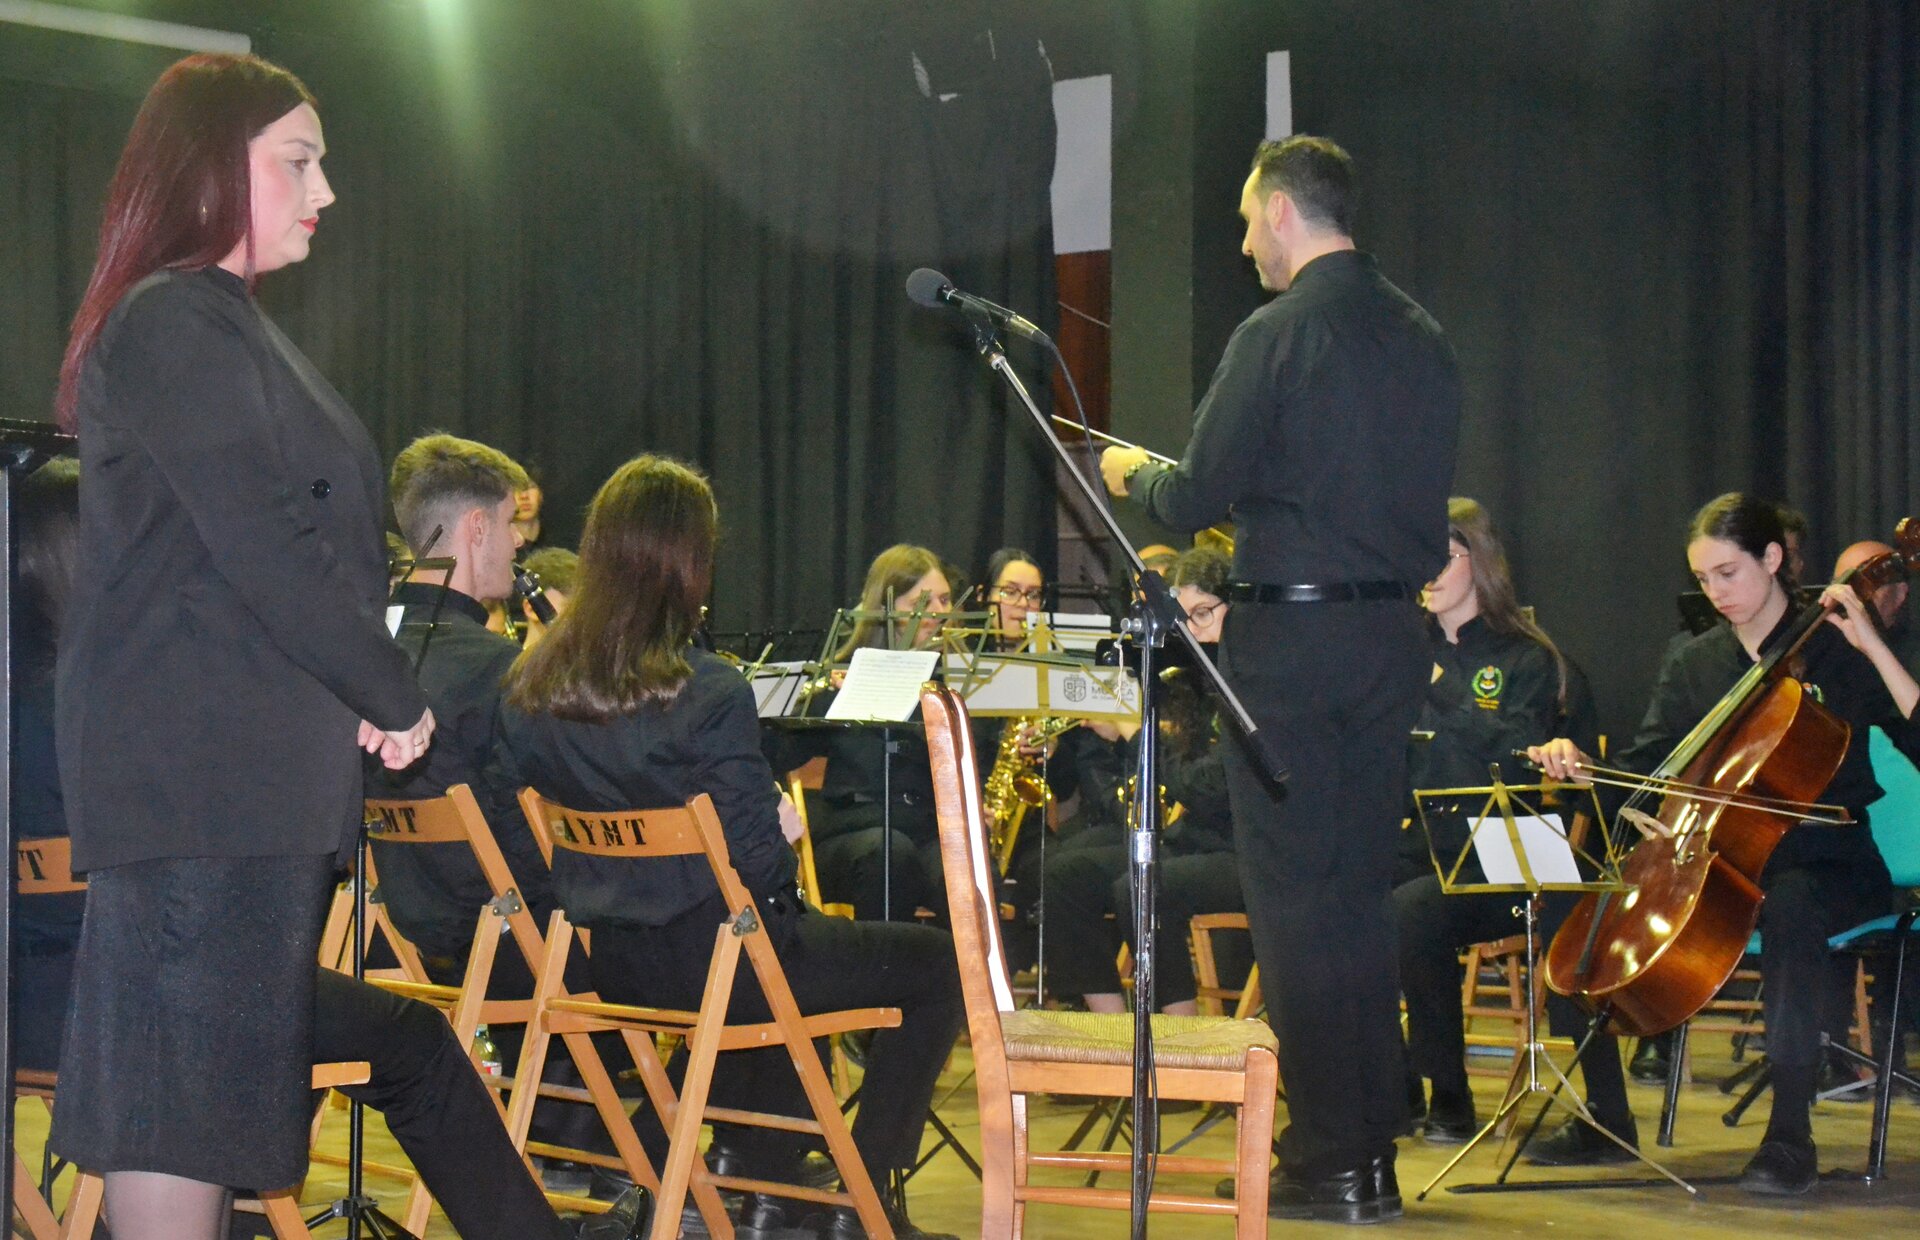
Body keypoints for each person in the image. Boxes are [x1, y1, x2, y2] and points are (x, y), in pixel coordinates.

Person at [49, 53, 435, 1238]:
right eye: (300, 160)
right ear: (212, 164)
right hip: (202, 797)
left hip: (232, 795)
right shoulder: (175, 319)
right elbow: (266, 538)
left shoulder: (214, 323)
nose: (325, 191)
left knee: (199, 1126)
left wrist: (353, 685)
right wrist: (388, 688)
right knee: (181, 1124)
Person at [13, 460, 593, 1239]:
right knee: (416, 1042)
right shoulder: (142, 703)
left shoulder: (26, 704)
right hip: (164, 1007)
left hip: (30, 1011)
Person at [1100, 135, 1460, 1223]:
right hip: (1391, 640)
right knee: (1355, 901)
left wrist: (1133, 473)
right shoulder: (1425, 336)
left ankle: (1331, 1159)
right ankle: (1371, 1149)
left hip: (1294, 652)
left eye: (1251, 221)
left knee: (1300, 914)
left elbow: (1200, 485)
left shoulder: (1277, 332)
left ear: (1285, 214)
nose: (1248, 241)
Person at [495, 456, 965, 1240]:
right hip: (725, 964)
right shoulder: (707, 689)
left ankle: (763, 1181)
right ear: (686, 563)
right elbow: (758, 869)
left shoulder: (530, 689)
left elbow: (526, 838)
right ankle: (860, 1189)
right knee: (929, 961)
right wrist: (776, 830)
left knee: (752, 960)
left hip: (612, 963)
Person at [1530, 492, 1920, 1194]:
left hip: (1828, 857)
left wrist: (1872, 643)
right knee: (1576, 905)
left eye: (1728, 574)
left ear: (1772, 560)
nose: (1716, 594)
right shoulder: (1695, 661)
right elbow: (1652, 764)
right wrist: (1583, 763)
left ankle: (1790, 1136)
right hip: (1720, 861)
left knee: (1792, 908)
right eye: (1704, 579)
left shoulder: (1836, 649)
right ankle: (1606, 1115)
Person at [1391, 499, 1619, 1147]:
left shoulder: (1528, 659)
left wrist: (1435, 681)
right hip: (1419, 841)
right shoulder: (1406, 648)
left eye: (1443, 554)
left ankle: (1451, 1095)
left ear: (1479, 560)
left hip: (1503, 852)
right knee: (1344, 898)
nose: (1426, 571)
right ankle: (1392, 1081)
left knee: (1410, 912)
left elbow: (1517, 753)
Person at [1042, 546, 1245, 1016]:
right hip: (1188, 837)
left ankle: (1177, 1047)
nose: (1193, 630)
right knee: (1064, 876)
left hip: (1237, 849)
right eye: (1184, 618)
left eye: (1204, 613)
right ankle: (1114, 1032)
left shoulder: (1248, 678)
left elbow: (1205, 789)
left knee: (1139, 884)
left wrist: (1136, 735)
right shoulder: (1187, 675)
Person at [804, 544, 955, 921]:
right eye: (921, 601)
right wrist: (823, 701)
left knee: (966, 871)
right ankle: (883, 978)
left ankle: (953, 980)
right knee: (890, 854)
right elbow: (780, 752)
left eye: (945, 599)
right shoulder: (840, 675)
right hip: (853, 834)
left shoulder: (949, 684)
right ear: (884, 608)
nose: (938, 612)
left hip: (922, 831)